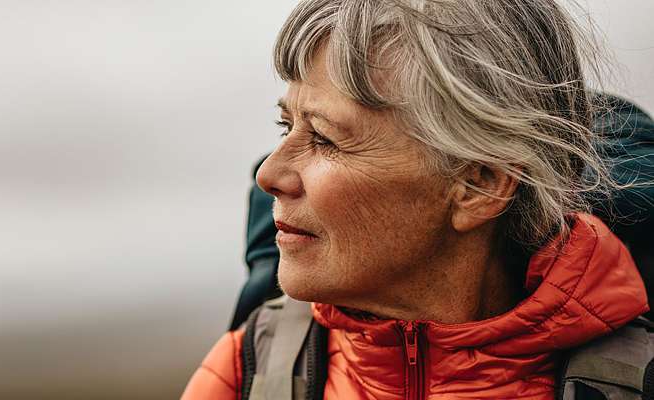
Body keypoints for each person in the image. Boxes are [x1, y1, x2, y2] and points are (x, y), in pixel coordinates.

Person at [182, 1, 653, 399]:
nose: (269, 174)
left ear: (480, 186)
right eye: (286, 127)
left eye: (324, 138)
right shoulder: (249, 369)